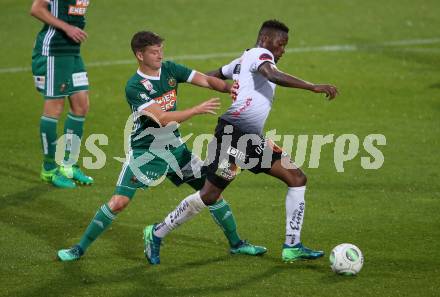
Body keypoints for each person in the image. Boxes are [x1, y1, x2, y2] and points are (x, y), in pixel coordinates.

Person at [57, 31, 266, 262]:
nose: (160, 55)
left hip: (175, 151)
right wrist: (196, 110)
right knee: (119, 202)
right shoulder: (135, 87)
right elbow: (162, 119)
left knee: (212, 192)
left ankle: (236, 243)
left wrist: (230, 89)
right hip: (145, 153)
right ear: (140, 55)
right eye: (154, 52)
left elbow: (206, 79)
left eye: (161, 50)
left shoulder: (170, 69)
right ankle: (79, 248)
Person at [143, 20, 338, 264]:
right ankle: (157, 232)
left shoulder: (243, 60)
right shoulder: (260, 54)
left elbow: (213, 75)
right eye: (280, 45)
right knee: (210, 194)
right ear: (266, 40)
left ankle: (292, 245)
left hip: (246, 137)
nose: (282, 51)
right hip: (234, 134)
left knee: (294, 178)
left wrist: (182, 82)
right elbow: (272, 74)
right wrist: (313, 87)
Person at [31, 0, 93, 188]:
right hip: (53, 51)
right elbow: (36, 9)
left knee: (81, 105)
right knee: (54, 109)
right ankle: (49, 169)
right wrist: (67, 28)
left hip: (72, 51)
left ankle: (68, 164)